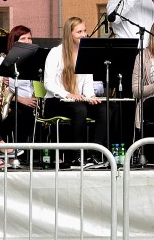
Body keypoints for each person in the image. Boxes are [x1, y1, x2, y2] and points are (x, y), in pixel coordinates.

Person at [43, 17, 108, 146]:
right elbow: (48, 83)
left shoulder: (86, 53)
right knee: (80, 109)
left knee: (105, 109)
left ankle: (95, 150)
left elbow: (87, 82)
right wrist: (68, 94)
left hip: (78, 101)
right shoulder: (55, 53)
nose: (84, 34)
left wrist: (91, 97)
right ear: (69, 34)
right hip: (56, 101)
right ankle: (76, 152)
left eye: (84, 31)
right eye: (79, 32)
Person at [0, 25, 37, 143]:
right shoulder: (3, 61)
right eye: (23, 38)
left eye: (29, 38)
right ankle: (18, 148)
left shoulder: (35, 61)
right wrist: (23, 100)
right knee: (21, 114)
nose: (28, 41)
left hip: (31, 102)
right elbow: (0, 89)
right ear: (14, 42)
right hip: (13, 102)